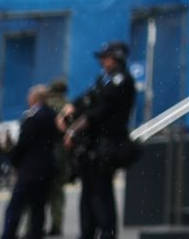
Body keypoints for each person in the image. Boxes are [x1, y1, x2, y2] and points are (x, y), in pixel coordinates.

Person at [58, 41, 136, 239]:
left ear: (117, 58)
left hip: (106, 145)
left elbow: (99, 110)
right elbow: (88, 98)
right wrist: (71, 108)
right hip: (94, 146)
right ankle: (88, 231)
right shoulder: (105, 80)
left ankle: (106, 233)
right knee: (89, 194)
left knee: (102, 194)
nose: (103, 62)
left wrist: (73, 131)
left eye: (106, 57)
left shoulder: (121, 81)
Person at [1, 85, 60, 239]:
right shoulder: (53, 115)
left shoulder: (32, 117)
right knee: (38, 207)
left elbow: (23, 144)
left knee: (15, 207)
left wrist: (13, 159)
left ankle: (8, 234)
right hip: (47, 168)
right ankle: (36, 234)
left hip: (30, 169)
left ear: (34, 99)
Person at [43, 76, 69, 236]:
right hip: (62, 153)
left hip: (44, 152)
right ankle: (56, 225)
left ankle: (34, 225)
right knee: (58, 192)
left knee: (39, 192)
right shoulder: (67, 107)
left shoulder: (45, 106)